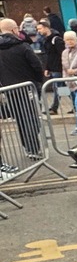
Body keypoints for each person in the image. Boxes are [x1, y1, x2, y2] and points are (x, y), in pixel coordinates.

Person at [0, 17, 45, 158]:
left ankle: (28, 147)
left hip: (9, 90)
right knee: (31, 119)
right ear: (14, 29)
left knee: (21, 119)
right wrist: (38, 81)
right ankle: (33, 148)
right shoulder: (22, 46)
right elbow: (37, 66)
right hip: (27, 88)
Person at [36, 20, 65, 115]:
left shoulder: (56, 39)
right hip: (53, 68)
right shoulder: (46, 40)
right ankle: (75, 103)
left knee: (57, 87)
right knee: (62, 88)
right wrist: (47, 68)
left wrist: (63, 66)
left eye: (40, 29)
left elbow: (62, 54)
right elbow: (49, 56)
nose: (38, 31)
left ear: (46, 27)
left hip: (58, 68)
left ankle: (54, 107)